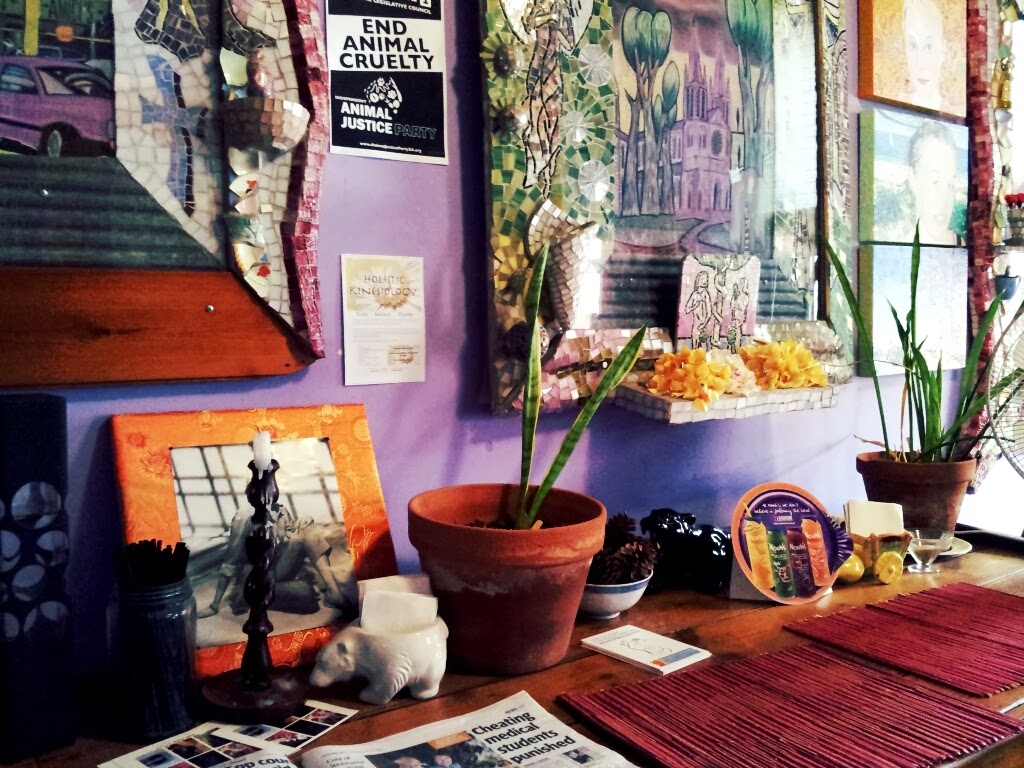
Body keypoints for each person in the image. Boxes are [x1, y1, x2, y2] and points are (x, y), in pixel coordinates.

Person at [905, 120, 959, 245]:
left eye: (950, 184)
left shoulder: (959, 243)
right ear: (913, 180)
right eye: (935, 182)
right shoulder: (898, 250)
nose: (944, 199)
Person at [902, 0, 946, 113]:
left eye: (928, 47)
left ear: (943, 51)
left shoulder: (954, 112)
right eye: (913, 45)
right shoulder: (898, 101)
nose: (920, 63)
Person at [684, 270, 713, 349]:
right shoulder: (694, 294)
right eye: (702, 279)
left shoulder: (705, 294)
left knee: (703, 348)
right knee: (694, 347)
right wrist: (695, 305)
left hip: (702, 326)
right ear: (698, 281)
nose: (704, 281)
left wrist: (704, 324)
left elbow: (709, 312)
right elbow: (687, 310)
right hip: (695, 325)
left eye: (706, 279)